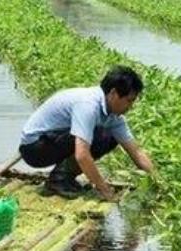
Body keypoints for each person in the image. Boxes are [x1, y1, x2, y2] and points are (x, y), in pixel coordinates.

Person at [18, 65, 155, 200]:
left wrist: (158, 180)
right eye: (129, 101)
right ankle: (58, 180)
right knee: (98, 134)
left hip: (54, 141)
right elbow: (82, 155)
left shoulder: (114, 116)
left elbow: (136, 153)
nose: (130, 107)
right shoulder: (88, 105)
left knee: (109, 136)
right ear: (113, 93)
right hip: (35, 148)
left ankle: (63, 177)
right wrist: (105, 190)